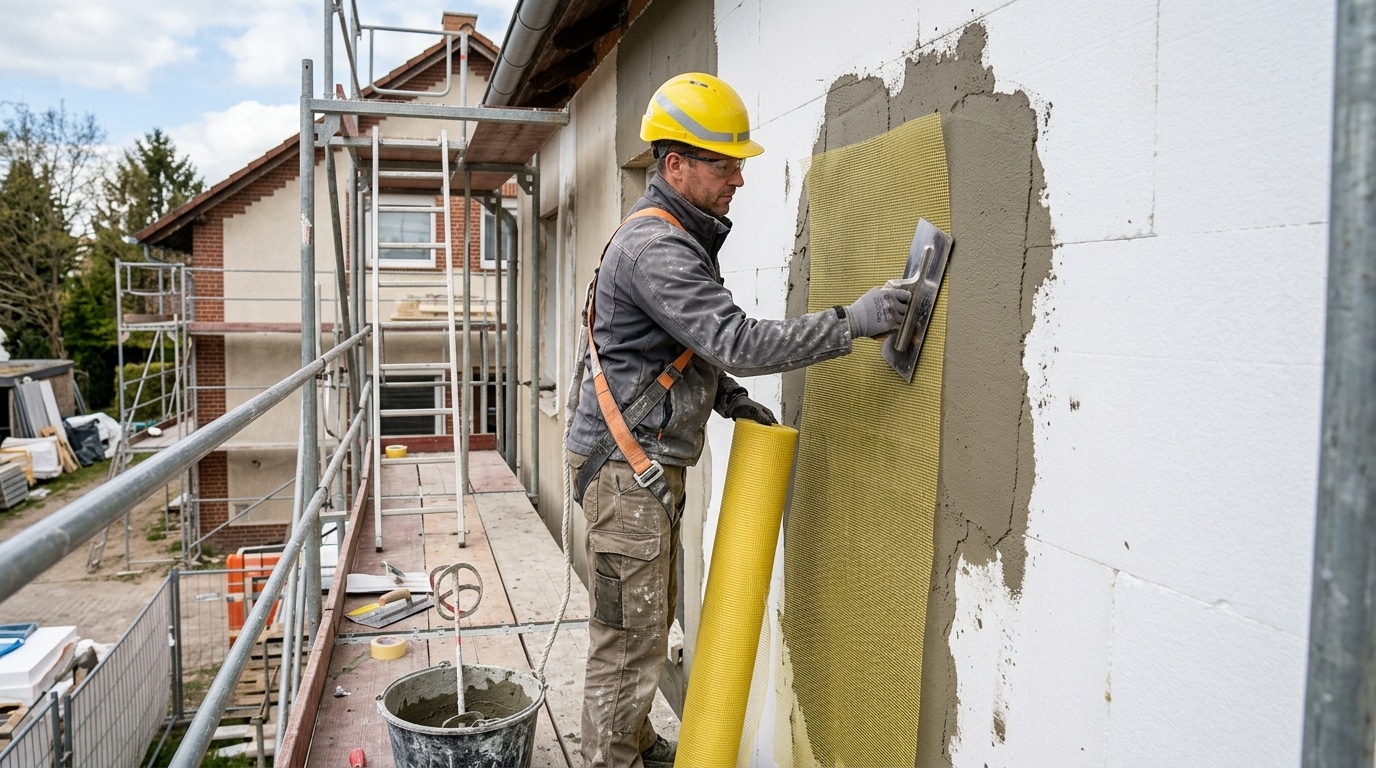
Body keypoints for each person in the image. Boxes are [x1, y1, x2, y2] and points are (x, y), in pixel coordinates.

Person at [565, 72, 911, 768]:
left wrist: (723, 398)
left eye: (740, 164)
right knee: (629, 639)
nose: (739, 180)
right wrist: (854, 322)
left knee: (646, 622)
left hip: (636, 467)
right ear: (675, 166)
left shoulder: (680, 236)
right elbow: (739, 341)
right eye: (725, 164)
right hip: (625, 473)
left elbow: (674, 346)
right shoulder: (657, 249)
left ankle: (632, 741)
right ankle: (613, 760)